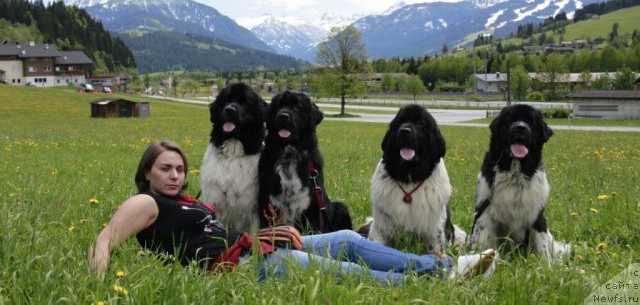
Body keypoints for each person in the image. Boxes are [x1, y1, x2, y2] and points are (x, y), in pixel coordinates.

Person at [88, 140, 497, 284]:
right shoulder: (146, 202)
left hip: (256, 249)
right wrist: (97, 285)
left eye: (180, 168)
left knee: (348, 240)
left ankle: (444, 265)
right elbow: (106, 237)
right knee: (351, 273)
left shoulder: (182, 202)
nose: (176, 175)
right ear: (147, 172)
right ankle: (439, 277)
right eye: (165, 169)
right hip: (244, 266)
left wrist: (264, 235)